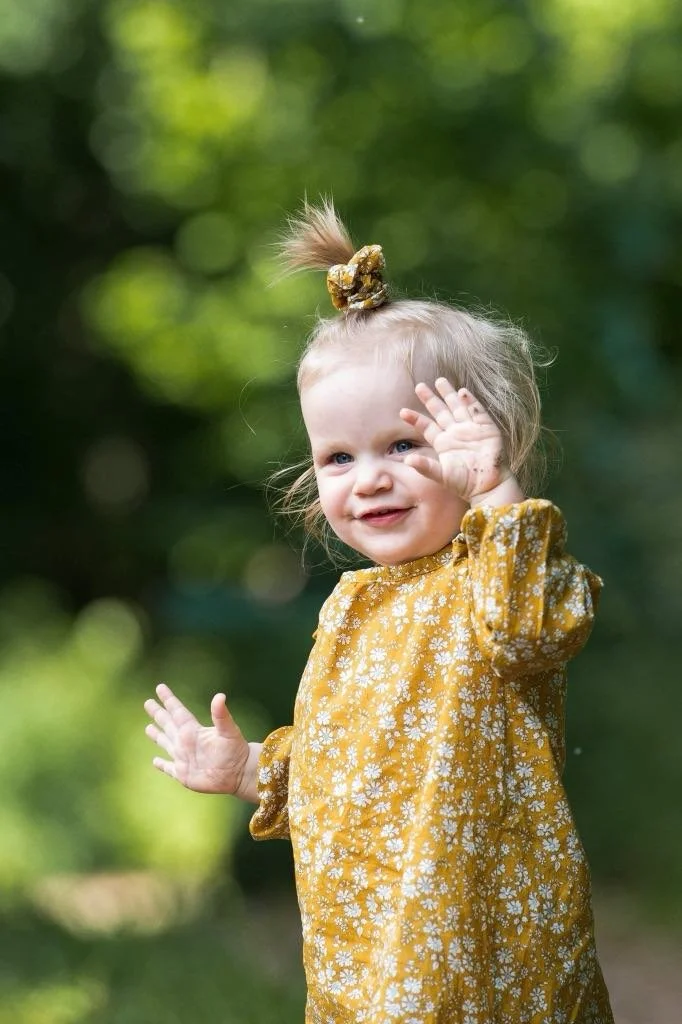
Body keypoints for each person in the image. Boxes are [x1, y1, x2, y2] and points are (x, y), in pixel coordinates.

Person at [144, 201, 614, 1023]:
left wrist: (497, 493)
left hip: (487, 940)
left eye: (403, 445)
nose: (369, 478)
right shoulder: (349, 609)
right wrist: (250, 769)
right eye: (338, 457)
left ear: (482, 440)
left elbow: (528, 635)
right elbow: (343, 765)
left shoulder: (497, 571)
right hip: (368, 952)